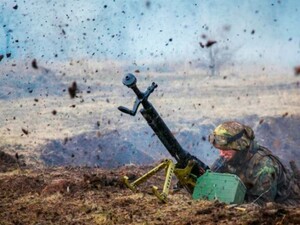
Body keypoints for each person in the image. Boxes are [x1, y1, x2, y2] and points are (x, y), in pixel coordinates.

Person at [209, 121, 300, 206]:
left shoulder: (264, 166)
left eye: (226, 150)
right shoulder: (231, 157)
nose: (221, 154)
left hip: (285, 205)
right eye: (220, 149)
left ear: (240, 147)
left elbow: (262, 204)